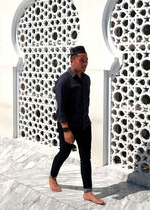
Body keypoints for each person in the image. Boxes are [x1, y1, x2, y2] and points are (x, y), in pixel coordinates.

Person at [49, 45, 104, 205]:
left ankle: (88, 192)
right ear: (72, 61)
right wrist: (66, 129)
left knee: (85, 158)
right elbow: (60, 107)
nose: (85, 63)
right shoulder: (63, 81)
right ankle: (52, 177)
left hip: (85, 124)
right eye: (82, 60)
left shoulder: (86, 79)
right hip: (68, 126)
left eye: (86, 60)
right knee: (64, 153)